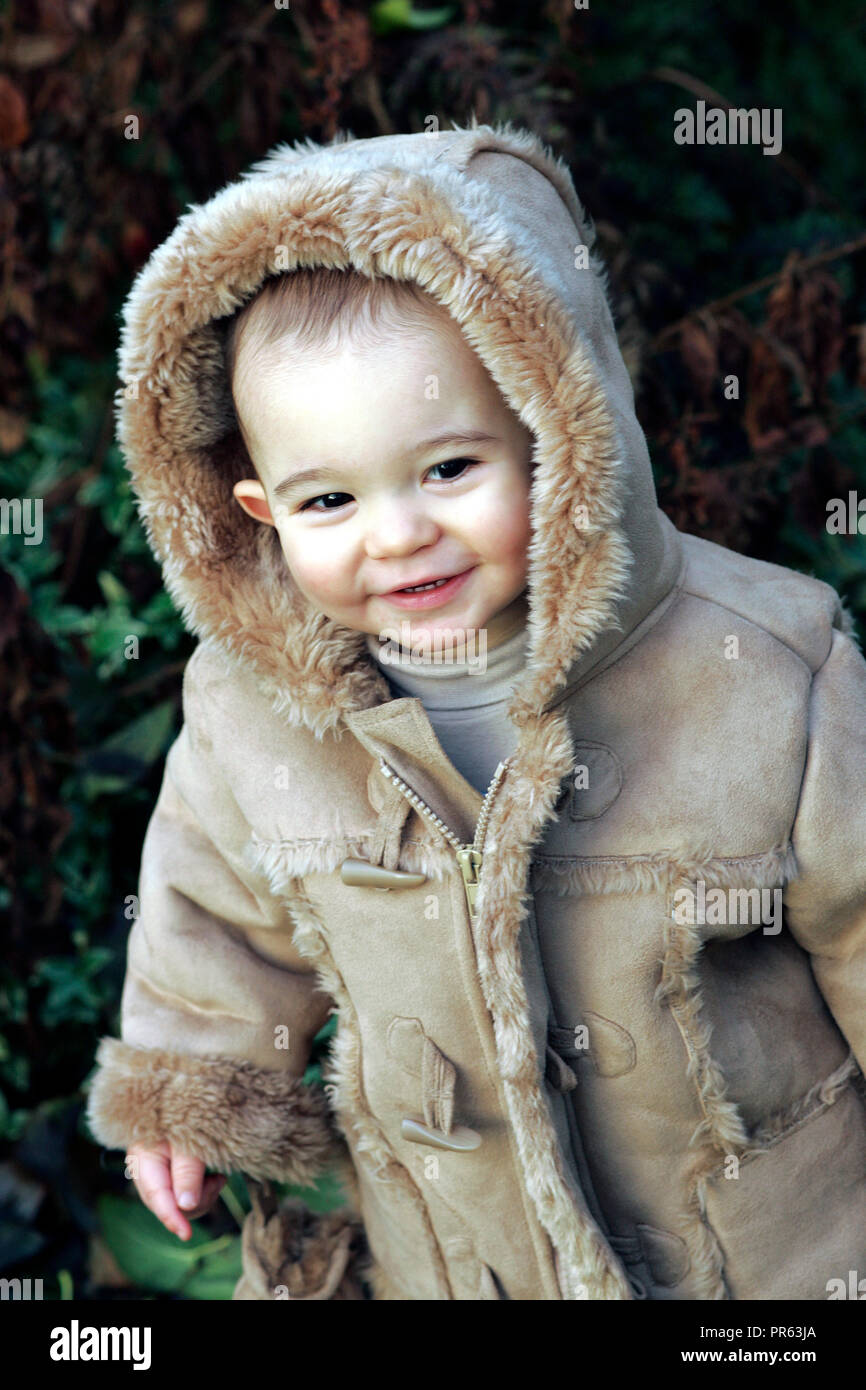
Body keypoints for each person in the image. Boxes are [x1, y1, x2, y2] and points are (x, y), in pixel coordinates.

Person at [86, 121, 866, 1301]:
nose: (396, 534)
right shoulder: (252, 713)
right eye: (330, 496)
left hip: (762, 1258)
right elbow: (218, 918)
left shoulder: (760, 668)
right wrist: (187, 1088)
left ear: (557, 438)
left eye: (450, 469)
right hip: (454, 1262)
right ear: (259, 510)